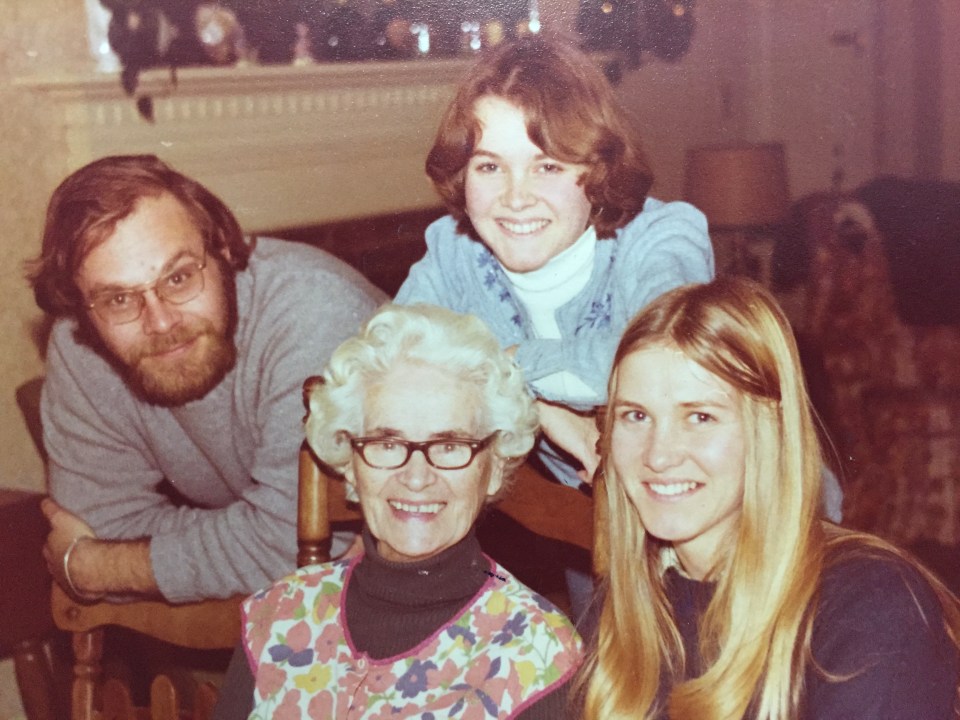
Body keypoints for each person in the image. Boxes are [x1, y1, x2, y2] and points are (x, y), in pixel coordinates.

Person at [578, 277, 960, 719]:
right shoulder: (618, 614)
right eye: (636, 416)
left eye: (700, 416)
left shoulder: (868, 605)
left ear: (769, 431)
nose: (659, 455)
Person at [27, 155, 384, 604]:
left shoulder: (314, 314)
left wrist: (94, 567)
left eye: (178, 278)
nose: (159, 322)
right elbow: (98, 523)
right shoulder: (80, 344)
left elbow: (300, 543)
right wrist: (250, 539)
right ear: (83, 309)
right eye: (119, 299)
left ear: (225, 250)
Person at [215, 304, 582, 718]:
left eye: (449, 446)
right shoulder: (276, 616)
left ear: (494, 468)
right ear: (350, 465)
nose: (416, 476)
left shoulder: (537, 652)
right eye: (387, 444)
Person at [395, 36, 714, 489]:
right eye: (489, 167)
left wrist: (512, 364)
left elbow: (663, 367)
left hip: (752, 518)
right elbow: (389, 365)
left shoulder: (661, 238)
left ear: (598, 171)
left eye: (547, 167)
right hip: (597, 531)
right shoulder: (455, 250)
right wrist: (541, 407)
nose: (516, 197)